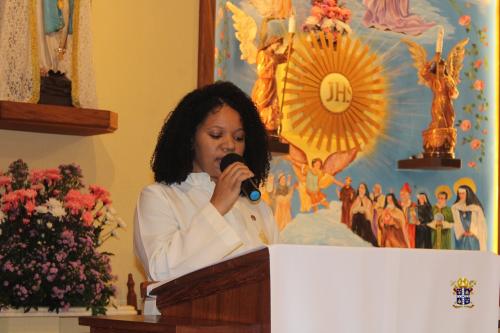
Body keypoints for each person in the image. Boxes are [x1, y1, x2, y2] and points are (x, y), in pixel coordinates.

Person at [134, 81, 279, 282]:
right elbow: (160, 271)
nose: (229, 145)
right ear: (190, 139)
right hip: (180, 314)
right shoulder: (159, 197)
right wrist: (217, 206)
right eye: (216, 135)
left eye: (239, 137)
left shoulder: (258, 207)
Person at [451, 185, 487, 251]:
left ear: (468, 194)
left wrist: (473, 232)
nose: (461, 195)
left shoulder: (476, 208)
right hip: (461, 238)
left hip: (473, 237)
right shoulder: (455, 207)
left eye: (463, 193)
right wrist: (462, 232)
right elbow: (455, 222)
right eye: (459, 193)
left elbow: (481, 224)